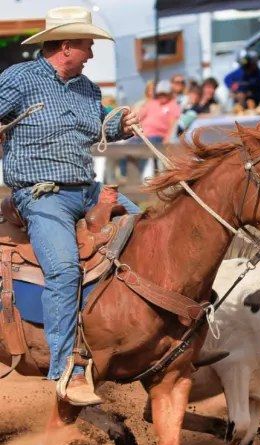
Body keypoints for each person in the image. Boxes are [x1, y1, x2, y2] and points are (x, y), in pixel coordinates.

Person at [0, 6, 141, 405]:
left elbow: (98, 122)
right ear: (66, 47)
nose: (92, 54)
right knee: (63, 271)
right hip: (41, 195)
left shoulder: (87, 89)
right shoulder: (19, 80)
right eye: (88, 46)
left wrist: (120, 124)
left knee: (148, 229)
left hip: (88, 190)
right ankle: (67, 368)